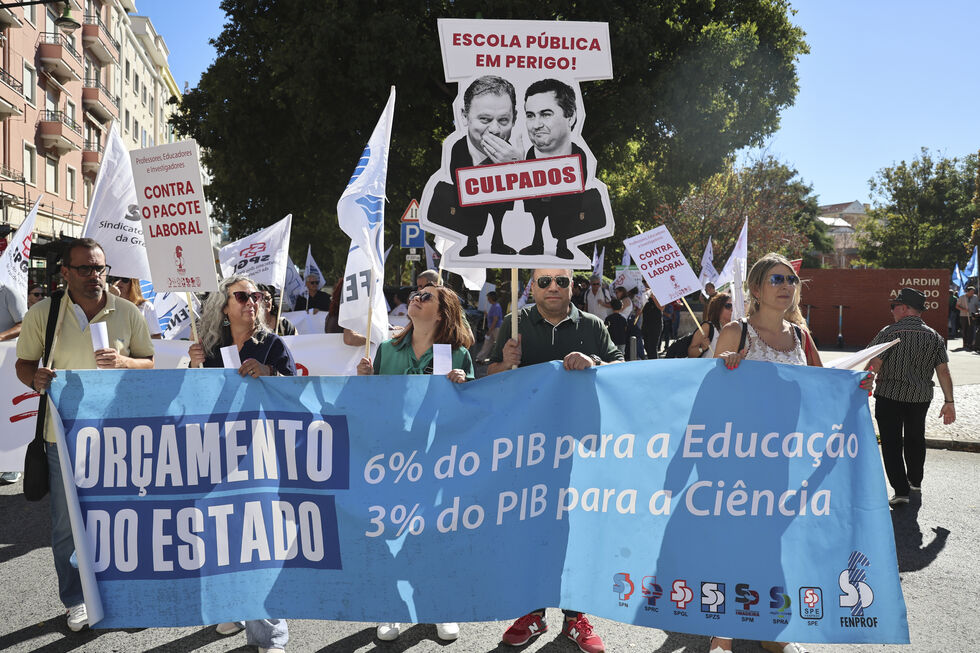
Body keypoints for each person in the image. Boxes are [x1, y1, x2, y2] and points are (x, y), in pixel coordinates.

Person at [15, 238, 154, 632]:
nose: (95, 276)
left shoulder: (127, 312)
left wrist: (124, 360)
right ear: (65, 273)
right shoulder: (44, 313)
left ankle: (123, 593)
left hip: (118, 437)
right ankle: (75, 599)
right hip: (63, 438)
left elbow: (149, 363)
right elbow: (24, 365)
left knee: (123, 518)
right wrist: (35, 379)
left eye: (100, 269)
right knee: (66, 525)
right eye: (85, 269)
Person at [711, 253, 839, 653]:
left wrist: (856, 387)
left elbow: (823, 392)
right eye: (776, 279)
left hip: (786, 460)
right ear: (755, 289)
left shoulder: (802, 336)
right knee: (733, 543)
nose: (786, 286)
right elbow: (705, 401)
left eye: (791, 279)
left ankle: (771, 631)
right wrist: (725, 370)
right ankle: (722, 634)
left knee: (776, 544)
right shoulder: (736, 332)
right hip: (737, 460)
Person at [488, 268, 621, 653]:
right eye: (544, 281)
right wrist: (503, 362)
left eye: (561, 281)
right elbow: (491, 378)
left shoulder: (593, 325)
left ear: (572, 286)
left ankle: (575, 616)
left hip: (580, 448)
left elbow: (624, 371)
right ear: (532, 285)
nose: (552, 288)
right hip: (528, 450)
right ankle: (532, 612)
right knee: (531, 528)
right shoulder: (515, 324)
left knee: (576, 530)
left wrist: (593, 360)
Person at [357, 284, 472, 643]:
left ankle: (439, 606)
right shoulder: (387, 350)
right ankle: (391, 606)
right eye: (414, 295)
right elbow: (372, 405)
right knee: (390, 533)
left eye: (425, 297)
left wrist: (461, 385)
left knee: (435, 533)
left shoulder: (458, 355)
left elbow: (474, 413)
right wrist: (365, 382)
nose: (415, 299)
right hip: (392, 458)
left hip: (439, 460)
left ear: (441, 314)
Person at [188, 274, 294, 653]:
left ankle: (271, 635)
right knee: (221, 538)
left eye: (257, 295)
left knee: (259, 543)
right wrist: (194, 367)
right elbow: (193, 401)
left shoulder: (272, 344)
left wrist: (268, 373)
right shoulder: (210, 349)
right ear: (224, 305)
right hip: (219, 456)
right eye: (242, 295)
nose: (252, 300)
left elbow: (294, 392)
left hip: (262, 458)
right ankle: (232, 606)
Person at [866, 288, 955, 506]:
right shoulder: (934, 337)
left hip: (889, 396)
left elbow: (873, 365)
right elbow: (943, 371)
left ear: (904, 308)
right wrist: (949, 402)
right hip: (920, 398)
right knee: (916, 439)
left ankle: (901, 491)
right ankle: (915, 481)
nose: (892, 311)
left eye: (894, 306)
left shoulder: (888, 333)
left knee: (891, 442)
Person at [427, 75, 521, 256]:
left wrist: (518, 167)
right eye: (485, 119)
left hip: (498, 204)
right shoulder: (459, 148)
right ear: (465, 116)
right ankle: (471, 241)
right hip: (470, 206)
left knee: (500, 207)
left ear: (514, 118)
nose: (494, 130)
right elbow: (460, 183)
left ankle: (498, 241)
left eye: (503, 120)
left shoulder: (511, 152)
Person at [520, 79, 606, 259]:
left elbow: (575, 196)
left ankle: (562, 244)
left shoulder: (578, 156)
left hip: (564, 208)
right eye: (530, 115)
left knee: (565, 212)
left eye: (546, 114)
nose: (536, 125)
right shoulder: (528, 155)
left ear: (571, 116)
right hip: (538, 203)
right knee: (537, 214)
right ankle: (537, 243)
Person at [687, 292, 732, 358]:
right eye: (728, 306)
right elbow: (691, 353)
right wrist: (701, 348)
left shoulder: (735, 327)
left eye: (734, 305)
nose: (732, 309)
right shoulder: (707, 327)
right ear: (718, 308)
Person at [475, 290, 502, 362]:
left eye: (488, 298)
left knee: (499, 344)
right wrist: (486, 314)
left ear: (491, 298)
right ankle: (480, 358)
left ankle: (501, 359)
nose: (487, 299)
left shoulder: (496, 306)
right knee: (487, 343)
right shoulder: (494, 306)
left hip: (496, 328)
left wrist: (490, 331)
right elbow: (492, 317)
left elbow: (495, 320)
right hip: (493, 328)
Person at [641, 289, 663, 359]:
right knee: (646, 346)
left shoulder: (660, 293)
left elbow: (662, 308)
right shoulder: (644, 293)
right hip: (646, 323)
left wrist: (653, 297)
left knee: (652, 347)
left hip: (656, 323)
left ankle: (654, 364)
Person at [954, 285, 978, 350]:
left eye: (973, 292)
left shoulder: (975, 297)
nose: (972, 293)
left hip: (972, 316)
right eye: (971, 292)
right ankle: (965, 343)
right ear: (968, 291)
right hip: (964, 316)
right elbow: (957, 306)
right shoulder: (962, 297)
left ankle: (970, 344)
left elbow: (976, 306)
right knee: (964, 330)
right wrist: (964, 309)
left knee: (971, 330)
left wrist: (976, 314)